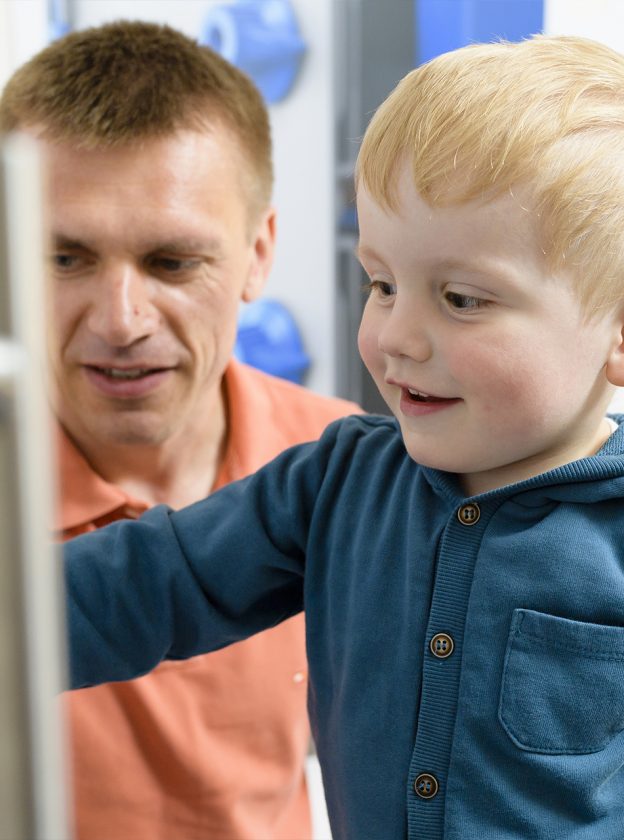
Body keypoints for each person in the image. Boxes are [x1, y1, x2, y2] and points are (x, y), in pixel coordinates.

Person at [60, 35, 624, 839]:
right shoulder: (333, 486)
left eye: (460, 298)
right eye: (381, 283)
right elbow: (151, 583)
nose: (396, 336)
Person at [0, 21, 357, 840]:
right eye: (65, 259)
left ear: (258, 252)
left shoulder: (347, 476)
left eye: (172, 262)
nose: (121, 321)